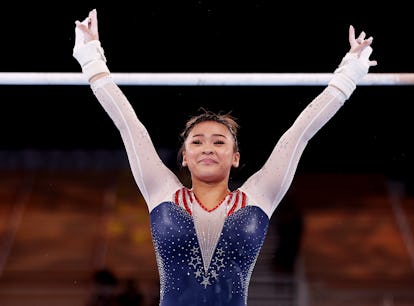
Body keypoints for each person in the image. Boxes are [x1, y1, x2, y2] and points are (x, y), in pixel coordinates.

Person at [73, 9, 377, 306]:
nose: (208, 148)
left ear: (235, 158)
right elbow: (129, 125)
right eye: (197, 142)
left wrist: (347, 74)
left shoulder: (259, 196)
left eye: (219, 142)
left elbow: (299, 134)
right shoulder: (160, 191)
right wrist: (91, 57)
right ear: (184, 158)